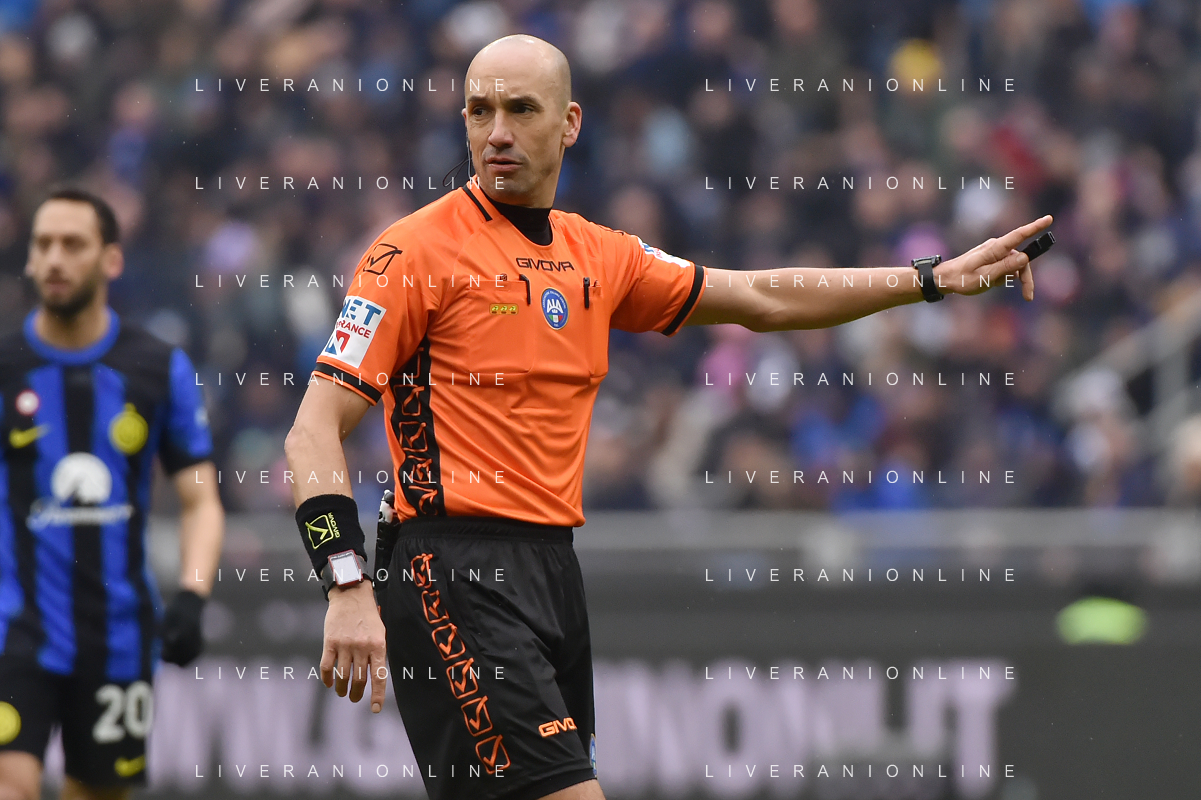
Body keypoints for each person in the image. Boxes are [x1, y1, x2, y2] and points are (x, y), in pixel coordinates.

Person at [284, 34, 1052, 800]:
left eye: (521, 110)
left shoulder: (598, 255)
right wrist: (345, 584)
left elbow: (760, 296)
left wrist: (928, 279)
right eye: (480, 111)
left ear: (570, 122)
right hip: (451, 571)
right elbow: (312, 429)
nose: (498, 133)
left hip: (551, 570)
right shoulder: (412, 253)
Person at [0, 187, 224, 800]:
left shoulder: (157, 367)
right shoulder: (5, 365)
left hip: (117, 633)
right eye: (43, 244)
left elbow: (201, 499)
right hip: (12, 628)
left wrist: (193, 595)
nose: (54, 259)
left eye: (72, 244)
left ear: (112, 260)